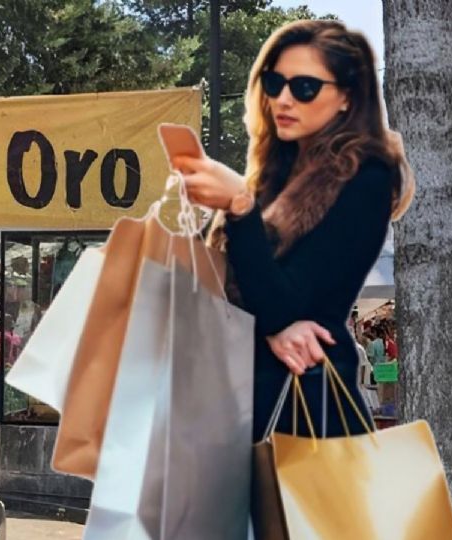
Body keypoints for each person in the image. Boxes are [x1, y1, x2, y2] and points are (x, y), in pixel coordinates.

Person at [173, 20, 415, 439]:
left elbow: (293, 301)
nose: (283, 98)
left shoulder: (367, 176)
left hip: (307, 414)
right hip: (235, 408)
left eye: (304, 87)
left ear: (346, 98)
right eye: (274, 82)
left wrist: (240, 208)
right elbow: (254, 301)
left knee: (307, 506)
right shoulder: (273, 175)